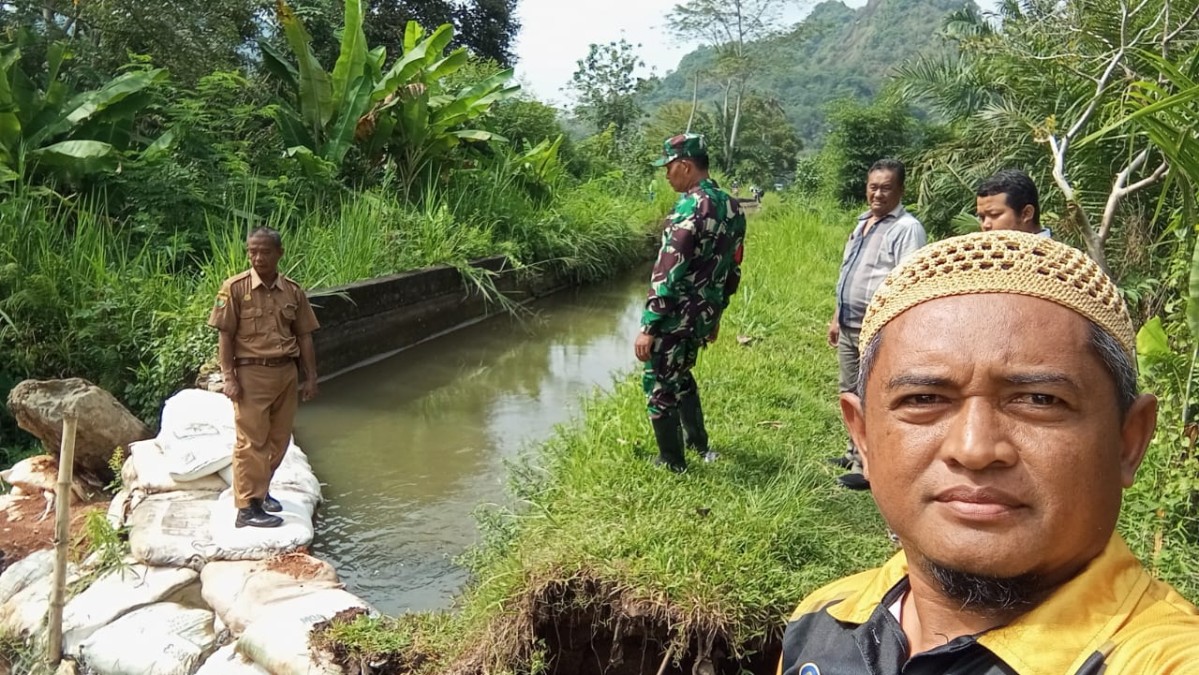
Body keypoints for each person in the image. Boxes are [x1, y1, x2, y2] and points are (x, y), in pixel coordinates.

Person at [781, 231, 1199, 674]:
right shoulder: (825, 620)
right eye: (924, 399)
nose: (974, 449)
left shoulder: (1164, 659)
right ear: (863, 436)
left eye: (1039, 400)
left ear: (1129, 441)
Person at [635, 133, 746, 473]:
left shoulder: (689, 207)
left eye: (668, 167)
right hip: (702, 315)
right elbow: (732, 269)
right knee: (681, 376)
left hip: (675, 317)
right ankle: (697, 443)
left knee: (659, 383)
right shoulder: (732, 207)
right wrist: (715, 317)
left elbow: (668, 271)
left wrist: (649, 326)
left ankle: (672, 461)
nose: (666, 175)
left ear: (685, 166)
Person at [208, 227, 320, 528]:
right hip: (251, 375)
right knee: (251, 442)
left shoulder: (292, 291)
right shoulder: (234, 289)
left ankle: (261, 491)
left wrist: (310, 377)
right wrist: (229, 377)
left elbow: (305, 336)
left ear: (279, 253)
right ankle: (247, 509)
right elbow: (225, 335)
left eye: (265, 252)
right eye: (252, 252)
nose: (258, 258)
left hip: (285, 373)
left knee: (279, 441)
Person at [828, 158, 926, 490]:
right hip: (849, 324)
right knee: (849, 390)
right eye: (873, 187)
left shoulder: (907, 229)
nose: (878, 194)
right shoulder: (863, 223)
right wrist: (836, 316)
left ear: (900, 190)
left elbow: (908, 281)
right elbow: (848, 272)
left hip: (877, 328)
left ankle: (869, 465)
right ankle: (853, 451)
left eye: (886, 188)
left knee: (872, 395)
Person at [976, 168, 1051, 236]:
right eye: (982, 217)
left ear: (1026, 213)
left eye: (994, 214)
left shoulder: (1055, 247)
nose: (985, 225)